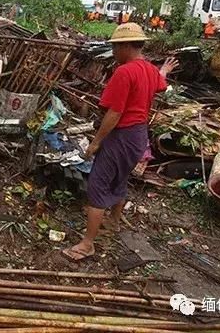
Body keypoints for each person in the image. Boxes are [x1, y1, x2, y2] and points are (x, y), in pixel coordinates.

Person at [63, 23, 178, 261]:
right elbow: (160, 84)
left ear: (127, 45)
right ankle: (113, 221)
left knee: (98, 184)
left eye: (116, 47)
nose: (114, 52)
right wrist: (164, 70)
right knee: (121, 177)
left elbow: (114, 113)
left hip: (123, 133)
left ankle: (87, 244)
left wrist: (95, 143)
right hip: (138, 136)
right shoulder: (147, 69)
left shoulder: (124, 72)